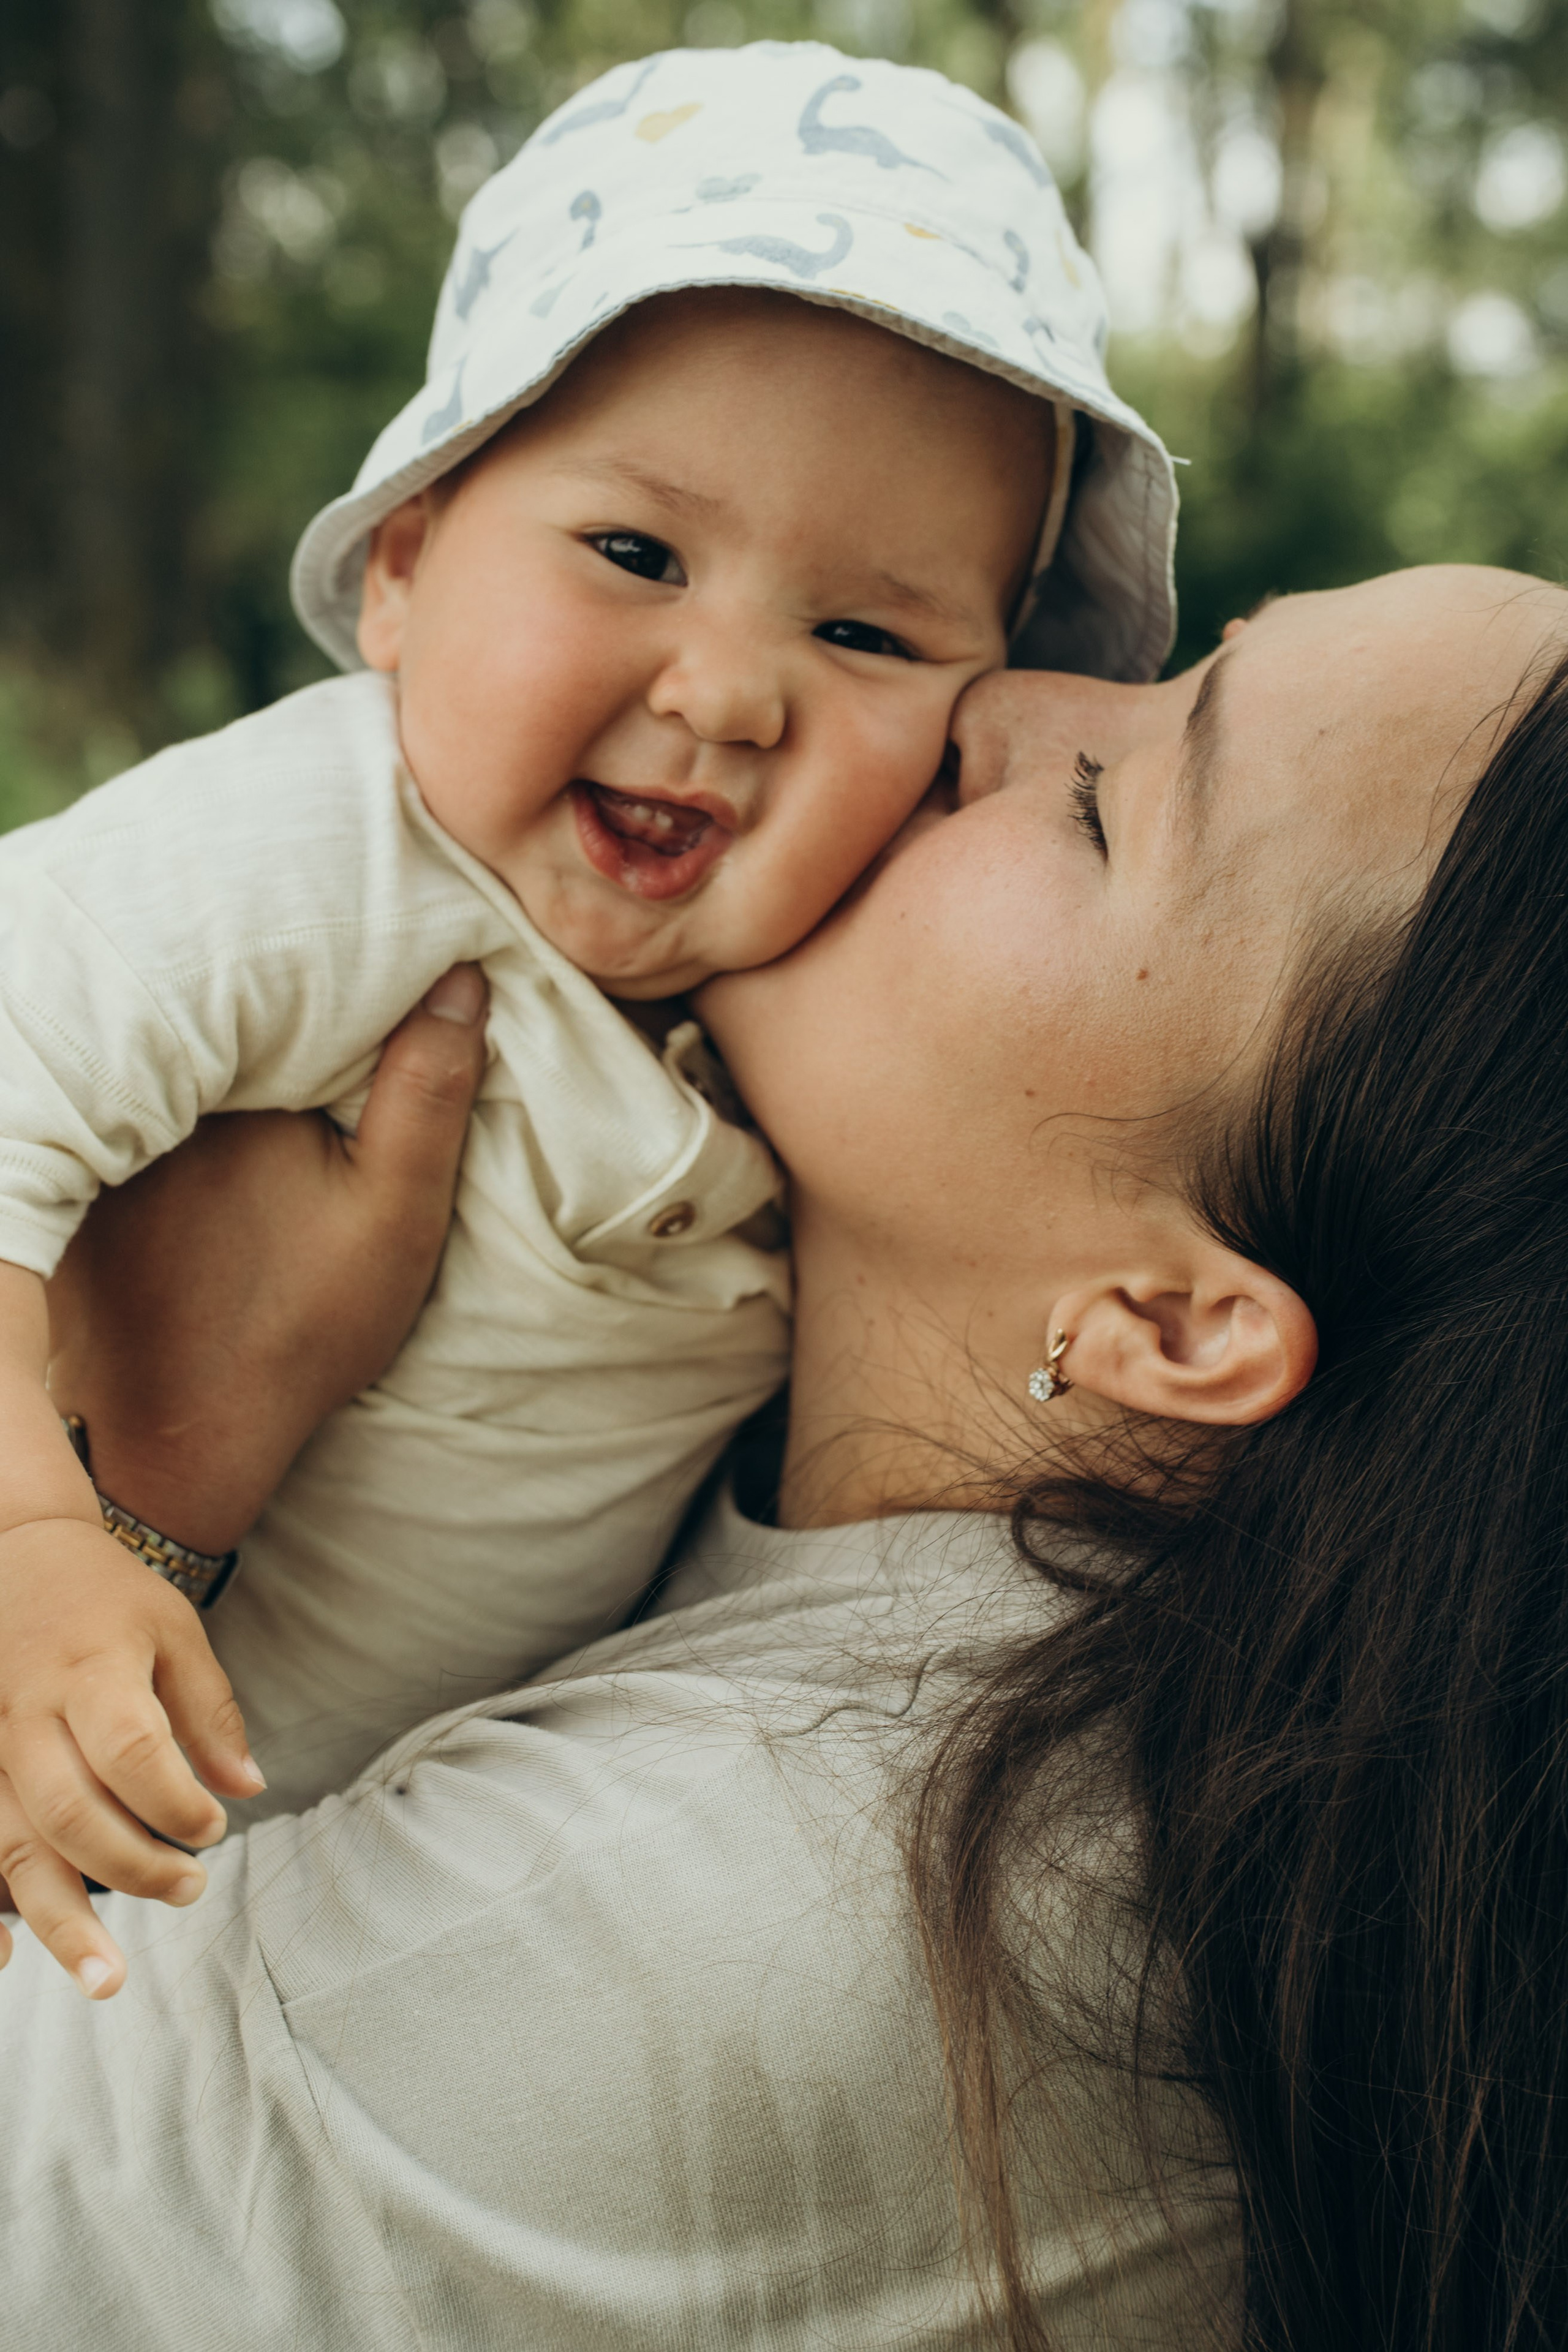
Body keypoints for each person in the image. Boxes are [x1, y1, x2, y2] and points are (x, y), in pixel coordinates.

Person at [5, 562, 1564, 2351]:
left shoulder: (778, 1921)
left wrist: (148, 1476)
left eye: (1104, 803)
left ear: (1177, 1323)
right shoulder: (722, 1379)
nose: (998, 706)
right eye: (1185, 659)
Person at [0, 42, 1178, 1924]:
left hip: (337, 1904)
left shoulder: (841, 1019)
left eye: (864, 630)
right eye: (636, 552)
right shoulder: (350, 844)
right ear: (404, 569)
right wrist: (37, 1539)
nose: (723, 691)